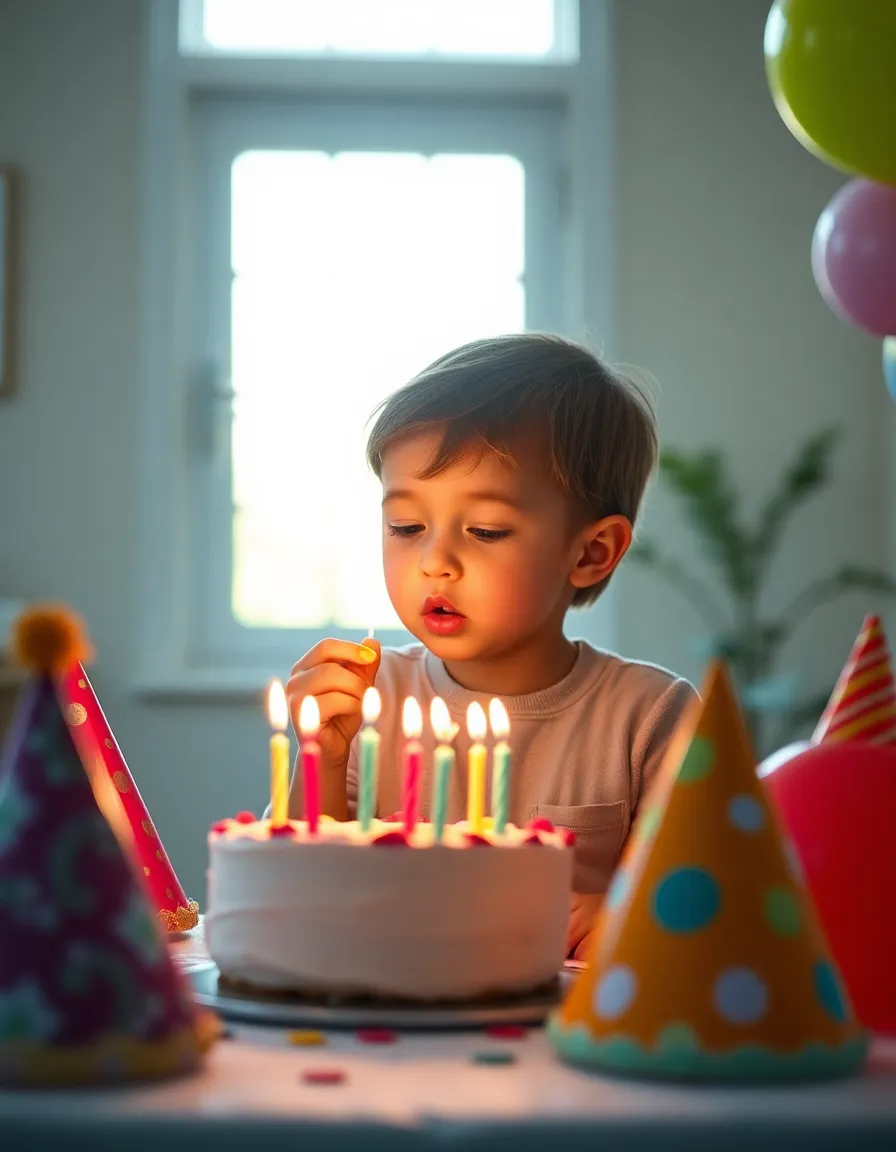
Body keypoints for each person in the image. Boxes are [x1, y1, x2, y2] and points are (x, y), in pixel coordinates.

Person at [285, 333, 697, 960]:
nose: (434, 562)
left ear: (591, 552)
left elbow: (696, 916)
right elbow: (297, 902)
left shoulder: (651, 718)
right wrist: (321, 758)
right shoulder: (370, 700)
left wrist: (625, 921)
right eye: (406, 526)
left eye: (485, 530)